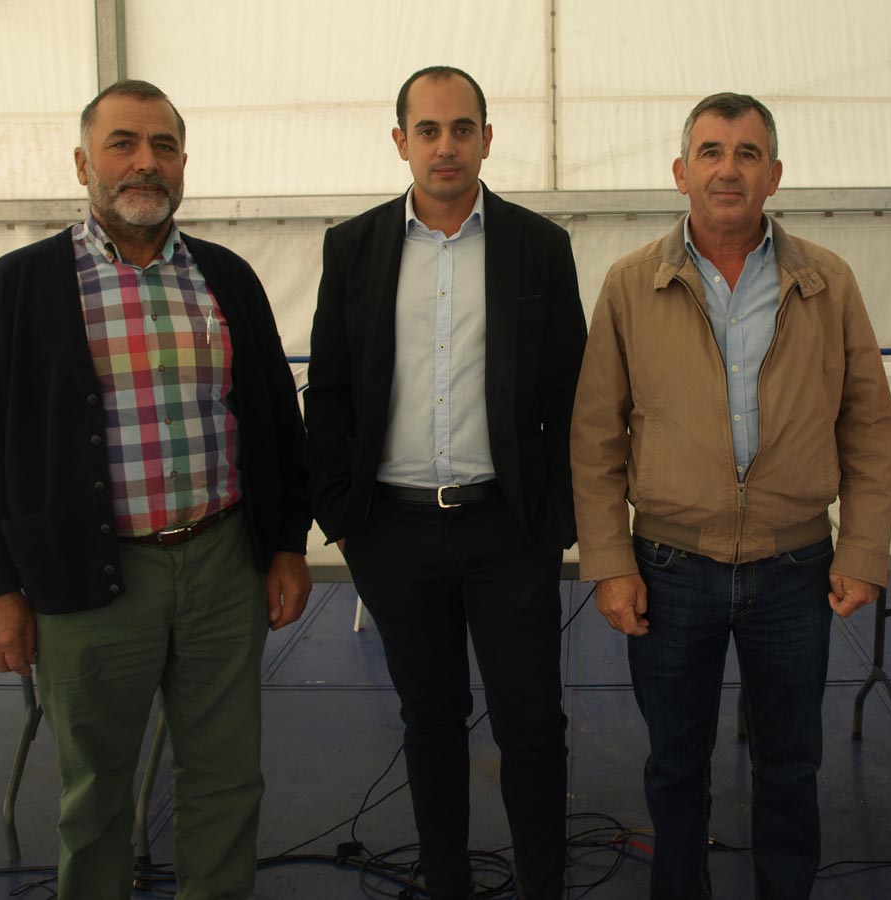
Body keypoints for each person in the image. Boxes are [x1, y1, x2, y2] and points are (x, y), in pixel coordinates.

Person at [0, 79, 312, 900]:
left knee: (226, 780)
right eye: (123, 144)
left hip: (220, 565)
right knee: (94, 792)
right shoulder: (19, 286)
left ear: (183, 163)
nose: (146, 163)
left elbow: (278, 425)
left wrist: (285, 545)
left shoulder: (226, 279)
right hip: (88, 581)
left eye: (163, 146)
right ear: (82, 163)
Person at [570, 92, 891, 899]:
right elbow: (595, 438)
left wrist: (861, 551)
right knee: (674, 764)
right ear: (680, 172)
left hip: (794, 568)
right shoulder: (627, 286)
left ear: (774, 175)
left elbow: (868, 427)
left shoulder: (826, 281)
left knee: (792, 765)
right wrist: (610, 561)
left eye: (748, 153)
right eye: (711, 151)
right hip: (670, 567)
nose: (728, 168)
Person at [304, 65, 586, 900]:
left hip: (506, 530)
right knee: (428, 721)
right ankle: (447, 880)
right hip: (392, 532)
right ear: (400, 143)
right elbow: (329, 387)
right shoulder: (351, 247)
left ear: (487, 139)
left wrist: (555, 517)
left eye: (461, 128)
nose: (445, 146)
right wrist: (339, 512)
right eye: (427, 131)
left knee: (531, 723)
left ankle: (543, 883)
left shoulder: (539, 245)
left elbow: (569, 394)